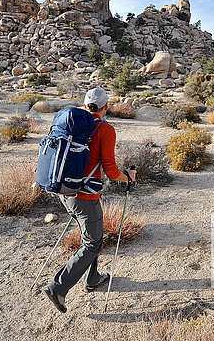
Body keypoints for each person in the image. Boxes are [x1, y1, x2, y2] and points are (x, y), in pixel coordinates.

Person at [44, 87, 136, 313]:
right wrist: (128, 178)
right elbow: (111, 171)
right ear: (106, 107)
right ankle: (58, 287)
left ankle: (93, 277)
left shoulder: (72, 124)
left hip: (64, 191)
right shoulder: (105, 129)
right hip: (85, 196)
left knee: (92, 236)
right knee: (92, 242)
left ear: (85, 105)